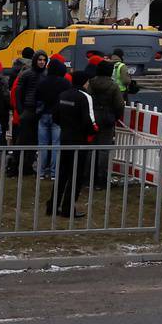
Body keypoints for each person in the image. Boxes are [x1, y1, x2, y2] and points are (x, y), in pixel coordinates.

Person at [48, 68, 96, 218]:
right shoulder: (85, 97)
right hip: (79, 140)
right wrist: (93, 132)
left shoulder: (63, 94)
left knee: (62, 174)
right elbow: (88, 120)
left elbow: (55, 115)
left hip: (65, 137)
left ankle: (52, 206)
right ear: (84, 82)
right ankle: (68, 208)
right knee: (76, 176)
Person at [85, 58, 126, 191]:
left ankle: (87, 178)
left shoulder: (91, 83)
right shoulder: (113, 86)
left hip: (93, 117)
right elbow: (119, 105)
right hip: (107, 119)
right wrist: (115, 116)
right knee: (104, 149)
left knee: (91, 148)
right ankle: (101, 179)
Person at [9, 52, 46, 174]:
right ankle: (15, 166)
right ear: (35, 60)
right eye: (39, 59)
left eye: (44, 60)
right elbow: (18, 92)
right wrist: (20, 110)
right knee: (22, 140)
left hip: (38, 111)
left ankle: (27, 166)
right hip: (28, 110)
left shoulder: (45, 74)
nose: (42, 62)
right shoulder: (26, 74)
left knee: (33, 141)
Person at [34, 58, 69, 180]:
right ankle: (54, 173)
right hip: (58, 116)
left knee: (42, 145)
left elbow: (37, 98)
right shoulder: (64, 83)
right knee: (56, 145)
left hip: (43, 114)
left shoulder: (42, 82)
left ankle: (41, 172)